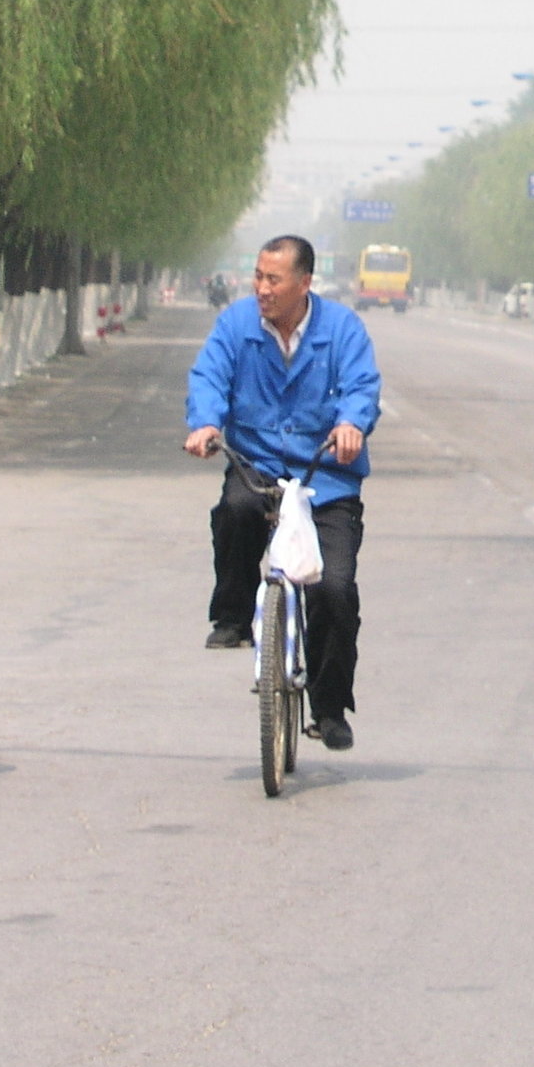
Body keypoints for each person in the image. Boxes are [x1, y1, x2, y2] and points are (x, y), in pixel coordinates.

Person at [184, 234, 379, 751]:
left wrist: (351, 424)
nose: (261, 288)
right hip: (260, 464)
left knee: (334, 590)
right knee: (235, 510)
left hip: (326, 476)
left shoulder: (342, 330)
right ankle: (231, 616)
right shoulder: (236, 325)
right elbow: (209, 376)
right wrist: (205, 424)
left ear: (304, 283)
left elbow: (362, 388)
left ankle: (330, 706)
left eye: (274, 279)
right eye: (258, 277)